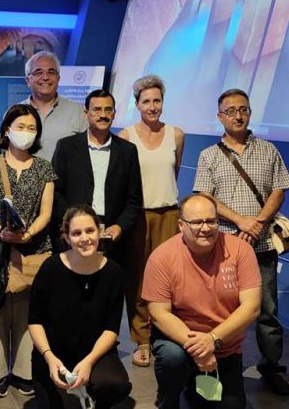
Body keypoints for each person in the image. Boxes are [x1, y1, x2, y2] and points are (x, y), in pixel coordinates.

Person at [193, 88, 289, 395]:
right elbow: (205, 196)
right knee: (217, 309)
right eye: (231, 111)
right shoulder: (208, 155)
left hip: (262, 246)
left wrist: (258, 223)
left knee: (267, 310)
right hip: (223, 247)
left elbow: (279, 189)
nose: (238, 116)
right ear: (220, 116)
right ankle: (217, 366)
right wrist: (240, 221)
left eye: (243, 109)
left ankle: (272, 368)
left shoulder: (268, 150)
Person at [142, 194, 262, 409]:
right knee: (171, 358)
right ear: (181, 225)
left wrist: (213, 340)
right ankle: (168, 398)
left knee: (230, 406)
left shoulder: (241, 250)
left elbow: (251, 307)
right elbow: (159, 313)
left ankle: (194, 385)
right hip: (179, 340)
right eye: (197, 222)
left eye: (211, 221)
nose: (206, 228)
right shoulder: (161, 257)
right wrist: (200, 349)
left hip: (225, 343)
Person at [50, 89, 146, 351]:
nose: (102, 115)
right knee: (73, 289)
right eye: (97, 109)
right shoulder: (67, 147)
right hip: (76, 231)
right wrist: (73, 224)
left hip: (111, 234)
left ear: (114, 113)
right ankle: (71, 342)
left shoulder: (127, 151)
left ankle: (105, 347)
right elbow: (56, 192)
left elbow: (134, 199)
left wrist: (120, 226)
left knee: (106, 292)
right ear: (86, 113)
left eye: (108, 110)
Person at [0, 104, 56, 398]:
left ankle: (24, 372)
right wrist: (1, 231)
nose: (25, 133)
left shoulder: (44, 168)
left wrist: (29, 233)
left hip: (34, 251)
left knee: (27, 316)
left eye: (31, 128)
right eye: (20, 126)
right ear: (7, 130)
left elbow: (47, 212)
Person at [29, 204, 132, 408]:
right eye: (76, 233)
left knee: (114, 385)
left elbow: (111, 329)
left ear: (100, 232)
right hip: (54, 353)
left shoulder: (114, 272)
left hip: (96, 351)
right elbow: (35, 321)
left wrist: (89, 362)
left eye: (90, 231)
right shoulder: (51, 268)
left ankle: (93, 392)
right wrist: (49, 357)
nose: (84, 238)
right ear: (67, 238)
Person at [118, 74, 185, 367]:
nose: (152, 106)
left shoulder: (176, 135)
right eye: (146, 101)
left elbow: (174, 172)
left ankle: (166, 334)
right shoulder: (126, 137)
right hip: (138, 217)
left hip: (169, 214)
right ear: (137, 104)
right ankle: (141, 339)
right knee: (137, 278)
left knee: (170, 278)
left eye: (157, 100)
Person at [19, 51, 87, 161]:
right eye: (38, 72)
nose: (45, 77)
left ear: (58, 78)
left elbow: (88, 153)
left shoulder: (79, 111)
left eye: (51, 72)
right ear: (28, 80)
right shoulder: (15, 113)